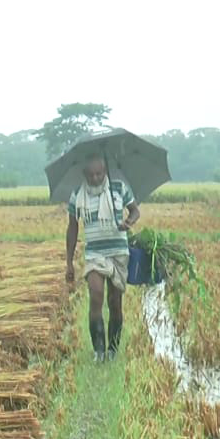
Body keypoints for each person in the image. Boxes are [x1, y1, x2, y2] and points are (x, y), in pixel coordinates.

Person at [65, 155, 140, 362]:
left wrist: (128, 222)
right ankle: (99, 350)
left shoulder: (119, 188)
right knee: (96, 295)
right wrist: (69, 262)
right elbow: (72, 227)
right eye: (91, 175)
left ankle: (113, 350)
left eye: (99, 173)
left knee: (115, 302)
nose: (95, 178)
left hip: (118, 253)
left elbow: (135, 211)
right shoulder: (77, 195)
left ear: (105, 171)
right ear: (84, 174)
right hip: (94, 255)